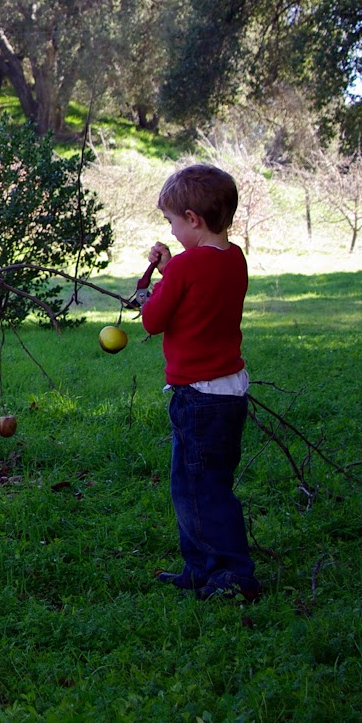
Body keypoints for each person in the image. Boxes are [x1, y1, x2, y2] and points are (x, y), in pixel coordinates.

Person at [140, 163, 262, 602]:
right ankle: (200, 567)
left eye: (172, 222)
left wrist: (159, 279)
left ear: (192, 218)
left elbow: (153, 320)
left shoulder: (185, 268)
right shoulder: (234, 259)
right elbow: (199, 292)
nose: (171, 231)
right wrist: (172, 269)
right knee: (203, 483)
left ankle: (233, 574)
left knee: (199, 488)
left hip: (198, 396)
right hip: (229, 391)